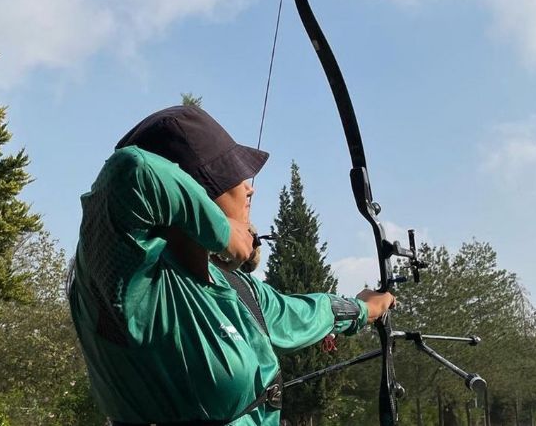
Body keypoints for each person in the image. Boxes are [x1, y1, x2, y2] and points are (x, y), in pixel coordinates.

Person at [68, 105, 395, 426]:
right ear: (198, 190)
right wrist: (224, 233)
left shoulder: (234, 286)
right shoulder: (131, 282)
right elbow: (130, 170)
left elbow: (299, 314)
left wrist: (362, 309)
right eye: (231, 173)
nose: (249, 186)